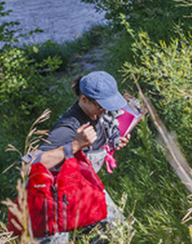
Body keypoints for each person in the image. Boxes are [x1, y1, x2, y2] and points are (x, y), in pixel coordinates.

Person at [23, 70, 131, 243]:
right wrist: (75, 145)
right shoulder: (67, 129)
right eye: (101, 106)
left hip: (80, 185)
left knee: (116, 228)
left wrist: (114, 143)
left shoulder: (99, 115)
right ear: (83, 99)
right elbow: (28, 166)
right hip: (50, 198)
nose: (106, 111)